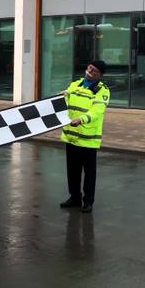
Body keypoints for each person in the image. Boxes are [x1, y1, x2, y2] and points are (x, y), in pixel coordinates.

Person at [59, 60, 110, 214]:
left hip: (88, 138)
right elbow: (66, 98)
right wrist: (61, 97)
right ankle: (75, 197)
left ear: (100, 75)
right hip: (71, 136)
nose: (89, 71)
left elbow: (97, 111)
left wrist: (81, 119)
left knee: (89, 174)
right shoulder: (76, 84)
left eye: (94, 70)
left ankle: (88, 201)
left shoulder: (102, 90)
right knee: (72, 171)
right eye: (89, 67)